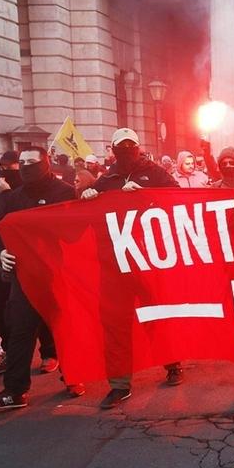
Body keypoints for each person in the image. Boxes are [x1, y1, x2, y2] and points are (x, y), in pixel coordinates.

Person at [80, 128, 181, 409]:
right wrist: (86, 195)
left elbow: (177, 198)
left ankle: (173, 363)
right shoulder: (106, 180)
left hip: (147, 259)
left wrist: (146, 194)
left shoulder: (155, 173)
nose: (126, 149)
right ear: (113, 149)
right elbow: (88, 217)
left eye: (130, 145)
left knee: (156, 316)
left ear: (138, 147)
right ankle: (119, 384)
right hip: (114, 263)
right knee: (115, 324)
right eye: (121, 145)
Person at [0, 148, 82, 410]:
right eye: (22, 162)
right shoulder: (12, 197)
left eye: (31, 162)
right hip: (24, 276)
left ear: (45, 163)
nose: (25, 166)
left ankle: (75, 377)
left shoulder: (64, 192)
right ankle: (15, 390)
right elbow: (0, 231)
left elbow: (72, 232)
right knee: (20, 331)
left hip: (57, 274)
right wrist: (1, 253)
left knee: (64, 328)